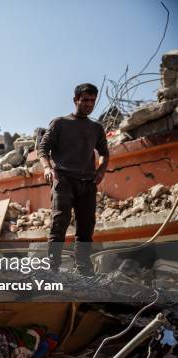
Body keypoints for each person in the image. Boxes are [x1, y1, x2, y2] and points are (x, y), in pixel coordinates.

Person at [37, 83, 110, 275]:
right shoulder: (60, 123)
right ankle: (52, 269)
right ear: (75, 100)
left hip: (87, 182)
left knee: (86, 227)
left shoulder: (96, 128)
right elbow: (42, 149)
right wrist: (47, 168)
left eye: (93, 101)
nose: (89, 104)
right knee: (60, 221)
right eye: (85, 100)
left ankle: (84, 270)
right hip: (63, 179)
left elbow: (104, 153)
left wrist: (101, 171)